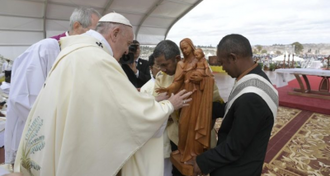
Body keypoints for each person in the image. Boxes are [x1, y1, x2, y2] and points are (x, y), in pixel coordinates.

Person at [13, 12, 192, 176]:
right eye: (128, 44)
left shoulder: (72, 52)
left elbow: (107, 104)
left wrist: (151, 100)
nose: (126, 51)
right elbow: (126, 112)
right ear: (114, 33)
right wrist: (168, 105)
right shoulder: (99, 59)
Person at [4, 7, 101, 164]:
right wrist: (62, 127)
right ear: (76, 26)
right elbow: (24, 99)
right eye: (92, 32)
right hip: (39, 137)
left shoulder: (85, 54)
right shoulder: (48, 48)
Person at [192, 34, 279, 176]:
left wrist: (202, 162)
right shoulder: (255, 76)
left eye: (222, 62)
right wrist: (205, 107)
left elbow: (234, 147)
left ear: (233, 58)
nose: (221, 67)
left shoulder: (252, 98)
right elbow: (234, 109)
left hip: (238, 169)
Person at [153, 39, 223, 176]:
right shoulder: (161, 78)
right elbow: (158, 109)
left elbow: (215, 105)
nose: (162, 69)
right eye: (159, 65)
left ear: (177, 58)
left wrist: (203, 130)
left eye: (165, 65)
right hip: (176, 135)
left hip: (200, 131)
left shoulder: (200, 68)